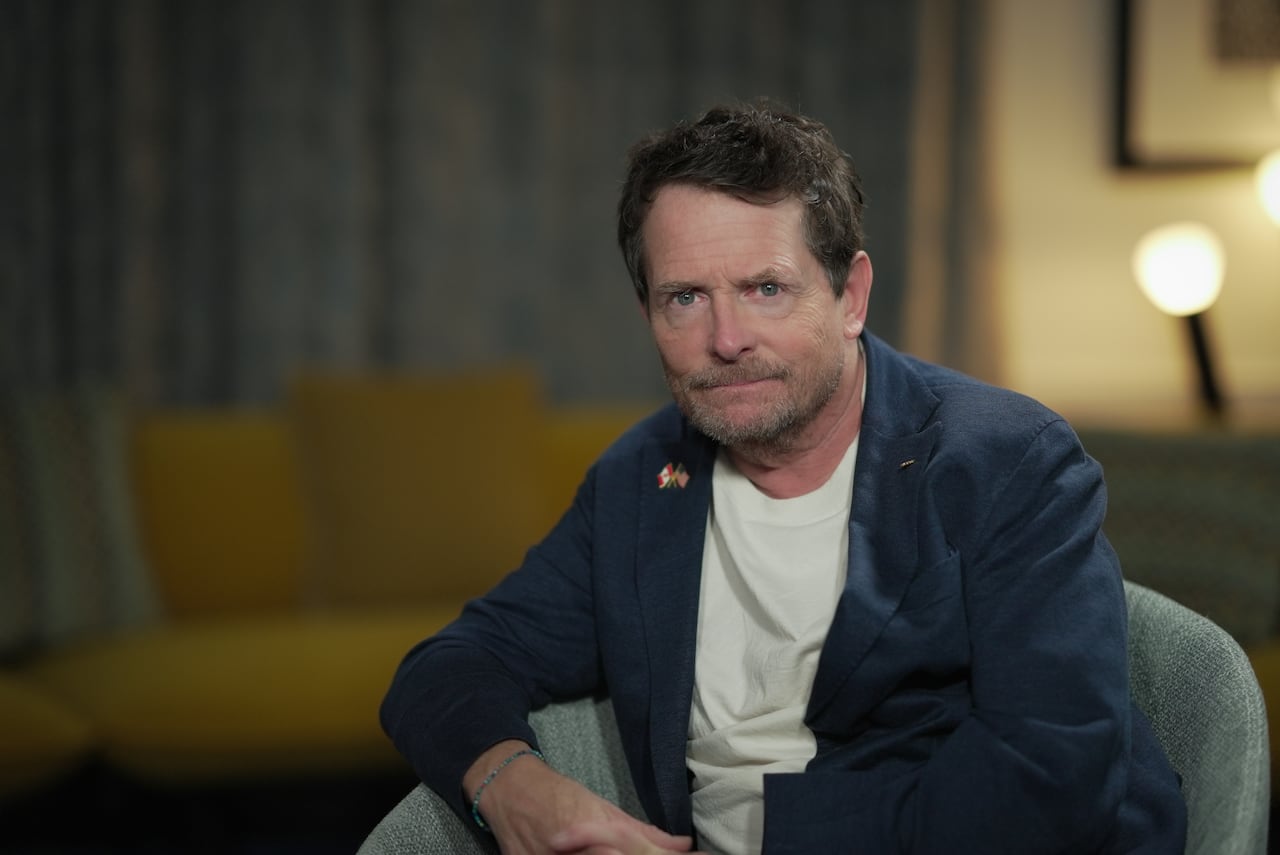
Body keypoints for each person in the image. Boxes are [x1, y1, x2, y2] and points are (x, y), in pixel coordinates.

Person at [381, 102, 1187, 854]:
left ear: (851, 296)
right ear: (648, 318)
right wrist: (512, 785)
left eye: (765, 289)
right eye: (685, 298)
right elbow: (453, 662)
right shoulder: (642, 479)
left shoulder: (1004, 462)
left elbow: (1049, 777)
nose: (725, 338)